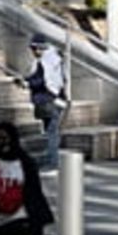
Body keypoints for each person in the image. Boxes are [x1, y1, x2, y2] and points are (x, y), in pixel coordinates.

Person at [27, 32, 68, 172]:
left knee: (51, 132)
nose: (32, 52)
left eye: (33, 49)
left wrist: (27, 82)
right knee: (52, 131)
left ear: (38, 48)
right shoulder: (55, 58)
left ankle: (52, 161)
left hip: (49, 100)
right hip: (57, 99)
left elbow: (41, 80)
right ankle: (51, 159)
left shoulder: (45, 61)